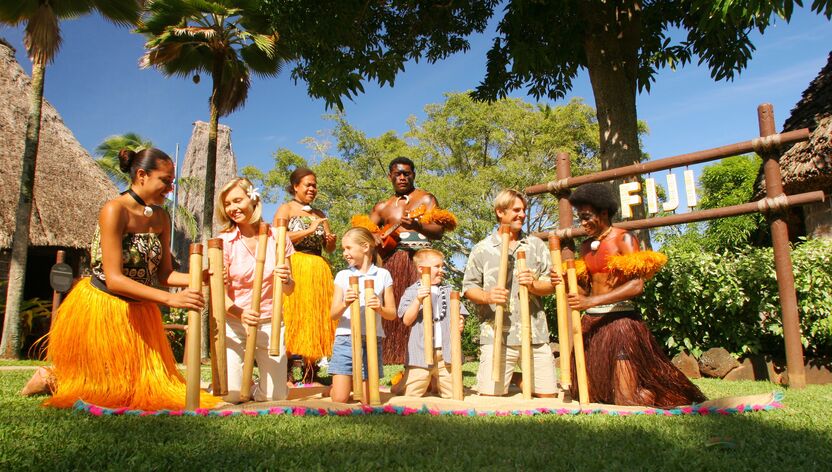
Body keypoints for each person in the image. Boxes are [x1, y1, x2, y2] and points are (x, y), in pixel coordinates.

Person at [21, 148, 219, 410]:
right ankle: (52, 377)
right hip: (106, 306)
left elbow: (164, 274)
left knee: (145, 389)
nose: (170, 188)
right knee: (105, 391)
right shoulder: (115, 210)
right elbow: (114, 279)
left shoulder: (161, 217)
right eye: (165, 180)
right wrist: (170, 301)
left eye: (171, 182)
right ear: (141, 175)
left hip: (141, 310)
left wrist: (201, 277)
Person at [556, 183, 706, 408]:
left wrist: (591, 301)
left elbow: (637, 286)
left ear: (604, 213)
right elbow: (585, 292)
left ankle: (653, 391)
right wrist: (566, 283)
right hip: (592, 324)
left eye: (587, 217)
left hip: (620, 324)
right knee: (588, 393)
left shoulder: (624, 239)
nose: (583, 223)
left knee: (627, 398)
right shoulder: (586, 246)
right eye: (580, 218)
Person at [358, 157, 455, 364]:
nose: (402, 177)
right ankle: (393, 355)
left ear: (414, 174)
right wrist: (373, 236)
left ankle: (424, 354)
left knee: (421, 307)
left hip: (420, 263)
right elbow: (362, 234)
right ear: (390, 176)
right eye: (397, 173)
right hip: (392, 262)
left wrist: (418, 226)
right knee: (394, 307)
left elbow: (439, 230)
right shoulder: (382, 207)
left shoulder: (426, 199)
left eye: (406, 173)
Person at [463, 189, 558, 398]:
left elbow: (551, 285)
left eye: (524, 210)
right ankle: (512, 378)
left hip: (534, 332)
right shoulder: (482, 248)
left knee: (548, 395)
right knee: (491, 396)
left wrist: (533, 285)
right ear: (500, 212)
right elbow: (469, 287)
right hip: (497, 334)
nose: (522, 215)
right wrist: (488, 296)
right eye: (516, 210)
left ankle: (517, 378)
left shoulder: (535, 245)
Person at [217, 177, 296, 403]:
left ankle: (252, 387)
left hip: (271, 322)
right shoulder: (224, 242)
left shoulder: (278, 237)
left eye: (237, 200)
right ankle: (234, 381)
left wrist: (287, 280)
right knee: (231, 395)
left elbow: (289, 289)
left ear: (253, 199)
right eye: (227, 204)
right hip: (235, 321)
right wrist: (241, 314)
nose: (232, 208)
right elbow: (219, 296)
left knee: (274, 396)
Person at [274, 168, 337, 383]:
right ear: (295, 187)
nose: (312, 188)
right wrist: (309, 231)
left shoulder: (319, 214)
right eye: (308, 185)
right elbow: (278, 237)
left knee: (316, 316)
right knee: (293, 315)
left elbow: (330, 249)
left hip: (318, 267)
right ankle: (287, 369)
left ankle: (312, 369)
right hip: (295, 265)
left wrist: (330, 241)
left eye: (314, 185)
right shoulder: (286, 209)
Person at [328, 227, 396, 403]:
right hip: (345, 339)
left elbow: (392, 314)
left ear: (365, 247)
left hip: (372, 340)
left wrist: (380, 308)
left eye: (348, 248)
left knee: (368, 400)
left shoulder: (383, 275)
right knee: (340, 400)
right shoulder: (343, 276)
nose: (344, 253)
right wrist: (345, 303)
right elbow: (333, 314)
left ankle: (349, 384)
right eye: (344, 249)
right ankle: (337, 388)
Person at [394, 249, 466, 398]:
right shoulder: (412, 291)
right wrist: (418, 300)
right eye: (437, 266)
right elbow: (407, 320)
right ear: (421, 269)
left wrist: (461, 321)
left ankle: (435, 383)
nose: (441, 270)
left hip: (446, 353)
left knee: (454, 394)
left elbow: (460, 313)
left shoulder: (448, 291)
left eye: (442, 266)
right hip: (421, 354)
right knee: (411, 394)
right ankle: (402, 385)